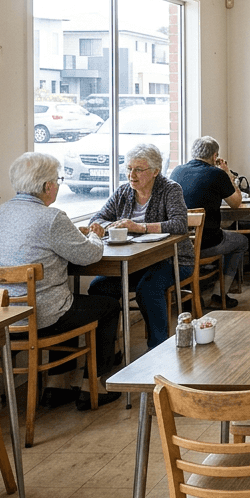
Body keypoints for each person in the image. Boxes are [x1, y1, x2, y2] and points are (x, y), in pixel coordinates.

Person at [0, 152, 121, 409]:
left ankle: (58, 385)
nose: (58, 185)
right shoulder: (52, 217)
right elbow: (90, 255)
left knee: (64, 300)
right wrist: (95, 234)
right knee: (106, 306)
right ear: (47, 187)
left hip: (1, 316)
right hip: (40, 316)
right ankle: (94, 386)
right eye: (57, 181)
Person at [85, 143, 194, 349]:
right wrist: (110, 226)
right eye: (128, 169)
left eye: (138, 170)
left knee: (148, 288)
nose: (131, 175)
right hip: (135, 261)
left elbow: (180, 224)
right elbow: (97, 218)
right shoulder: (123, 192)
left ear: (155, 171)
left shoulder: (170, 189)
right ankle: (107, 352)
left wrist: (140, 227)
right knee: (99, 287)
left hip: (173, 259)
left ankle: (159, 349)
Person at [171, 136, 248, 308]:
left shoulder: (177, 171)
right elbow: (236, 203)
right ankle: (219, 295)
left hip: (178, 244)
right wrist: (228, 174)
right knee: (242, 241)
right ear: (215, 156)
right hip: (206, 244)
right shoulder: (217, 174)